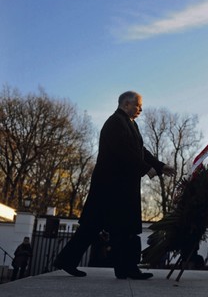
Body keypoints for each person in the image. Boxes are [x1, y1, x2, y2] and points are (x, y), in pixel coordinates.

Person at [53, 91, 175, 279]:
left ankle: (121, 268)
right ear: (126, 104)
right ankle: (125, 268)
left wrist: (160, 166)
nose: (141, 109)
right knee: (113, 228)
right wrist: (145, 168)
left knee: (118, 229)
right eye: (138, 105)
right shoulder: (115, 123)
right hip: (111, 188)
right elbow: (123, 151)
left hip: (118, 187)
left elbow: (140, 151)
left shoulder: (129, 124)